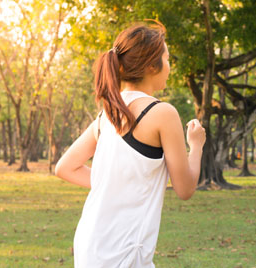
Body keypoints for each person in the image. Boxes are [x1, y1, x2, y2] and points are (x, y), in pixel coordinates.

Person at [54, 20, 206, 267]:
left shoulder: (107, 114)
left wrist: (114, 182)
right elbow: (185, 188)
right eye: (167, 60)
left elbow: (65, 168)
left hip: (90, 244)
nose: (170, 68)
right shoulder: (162, 113)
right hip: (123, 249)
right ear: (151, 66)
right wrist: (196, 146)